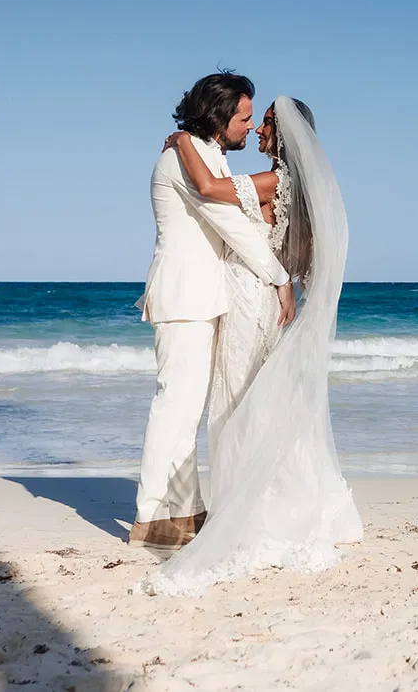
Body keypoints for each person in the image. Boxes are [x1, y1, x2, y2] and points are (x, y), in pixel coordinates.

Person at [145, 96, 362, 595]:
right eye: (255, 119)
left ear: (283, 137)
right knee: (251, 398)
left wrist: (182, 140)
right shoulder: (295, 188)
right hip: (260, 295)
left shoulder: (276, 182)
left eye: (264, 123)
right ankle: (257, 500)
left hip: (247, 293)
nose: (259, 130)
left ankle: (243, 510)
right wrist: (284, 279)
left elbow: (209, 188)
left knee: (235, 399)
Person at [131, 72, 296, 550]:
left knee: (186, 409)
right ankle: (154, 520)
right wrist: (281, 277)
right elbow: (231, 223)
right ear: (220, 116)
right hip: (185, 298)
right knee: (176, 407)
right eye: (244, 118)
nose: (249, 127)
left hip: (205, 297)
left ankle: (183, 515)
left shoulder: (204, 153)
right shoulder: (183, 157)